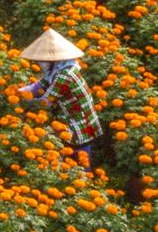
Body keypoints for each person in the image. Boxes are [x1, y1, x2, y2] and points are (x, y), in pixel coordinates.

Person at [20, 29, 108, 169]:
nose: (41, 63)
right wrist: (18, 92)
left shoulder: (65, 75)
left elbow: (45, 102)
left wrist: (20, 102)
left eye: (43, 60)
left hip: (80, 124)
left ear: (54, 60)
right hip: (75, 119)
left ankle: (83, 179)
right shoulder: (59, 69)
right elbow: (39, 85)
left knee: (80, 161)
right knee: (72, 159)